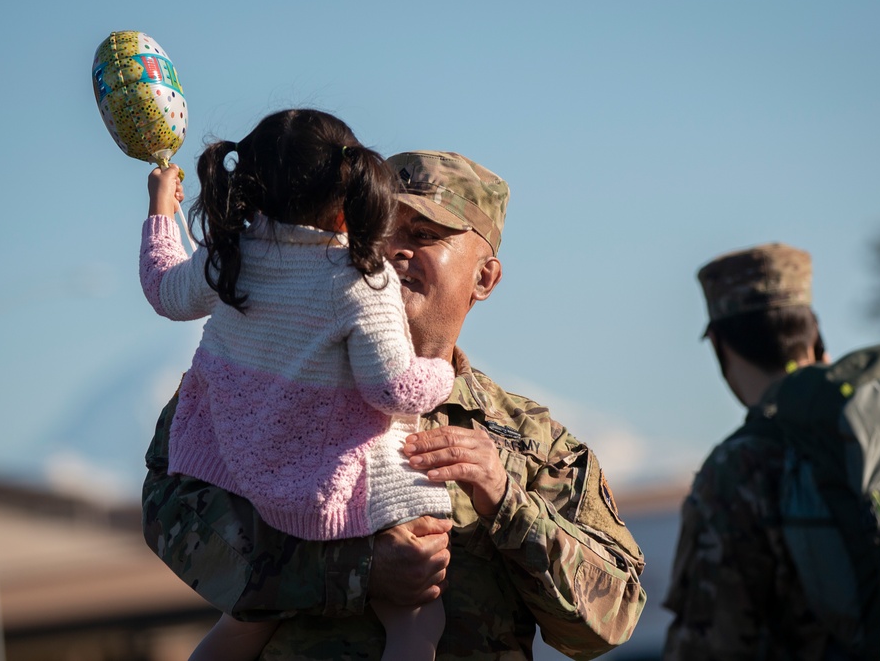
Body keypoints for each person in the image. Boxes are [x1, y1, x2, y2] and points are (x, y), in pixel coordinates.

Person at [141, 149, 648, 660]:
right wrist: (356, 572)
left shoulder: (529, 440)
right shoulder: (264, 376)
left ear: (484, 278)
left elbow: (610, 621)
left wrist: (505, 499)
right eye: (379, 228)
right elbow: (170, 511)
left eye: (425, 235)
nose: (394, 250)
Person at [139, 110, 458, 661]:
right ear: (350, 194)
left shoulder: (230, 254)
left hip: (244, 475)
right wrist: (443, 371)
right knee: (417, 617)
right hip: (332, 488)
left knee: (244, 623)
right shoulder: (361, 278)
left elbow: (164, 289)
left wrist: (160, 207)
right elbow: (394, 390)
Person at [662, 242, 832, 660]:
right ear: (813, 333)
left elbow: (708, 642)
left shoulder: (738, 468)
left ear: (720, 344)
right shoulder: (879, 429)